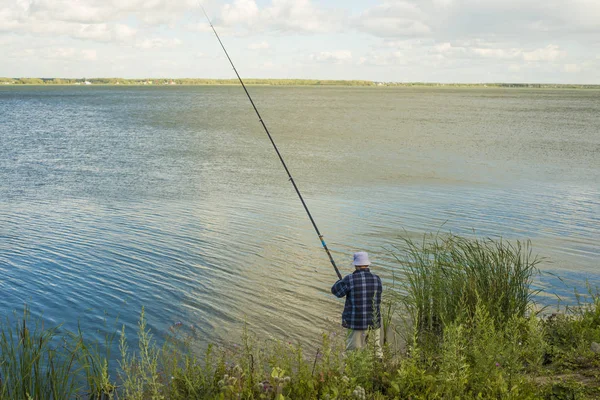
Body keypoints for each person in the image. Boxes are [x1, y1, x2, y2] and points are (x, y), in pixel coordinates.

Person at [331, 251, 383, 358]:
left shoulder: (349, 279)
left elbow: (336, 292)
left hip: (356, 322)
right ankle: (378, 371)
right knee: (376, 350)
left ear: (355, 265)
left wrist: (340, 282)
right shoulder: (377, 279)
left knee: (352, 351)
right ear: (367, 264)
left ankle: (350, 372)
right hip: (374, 322)